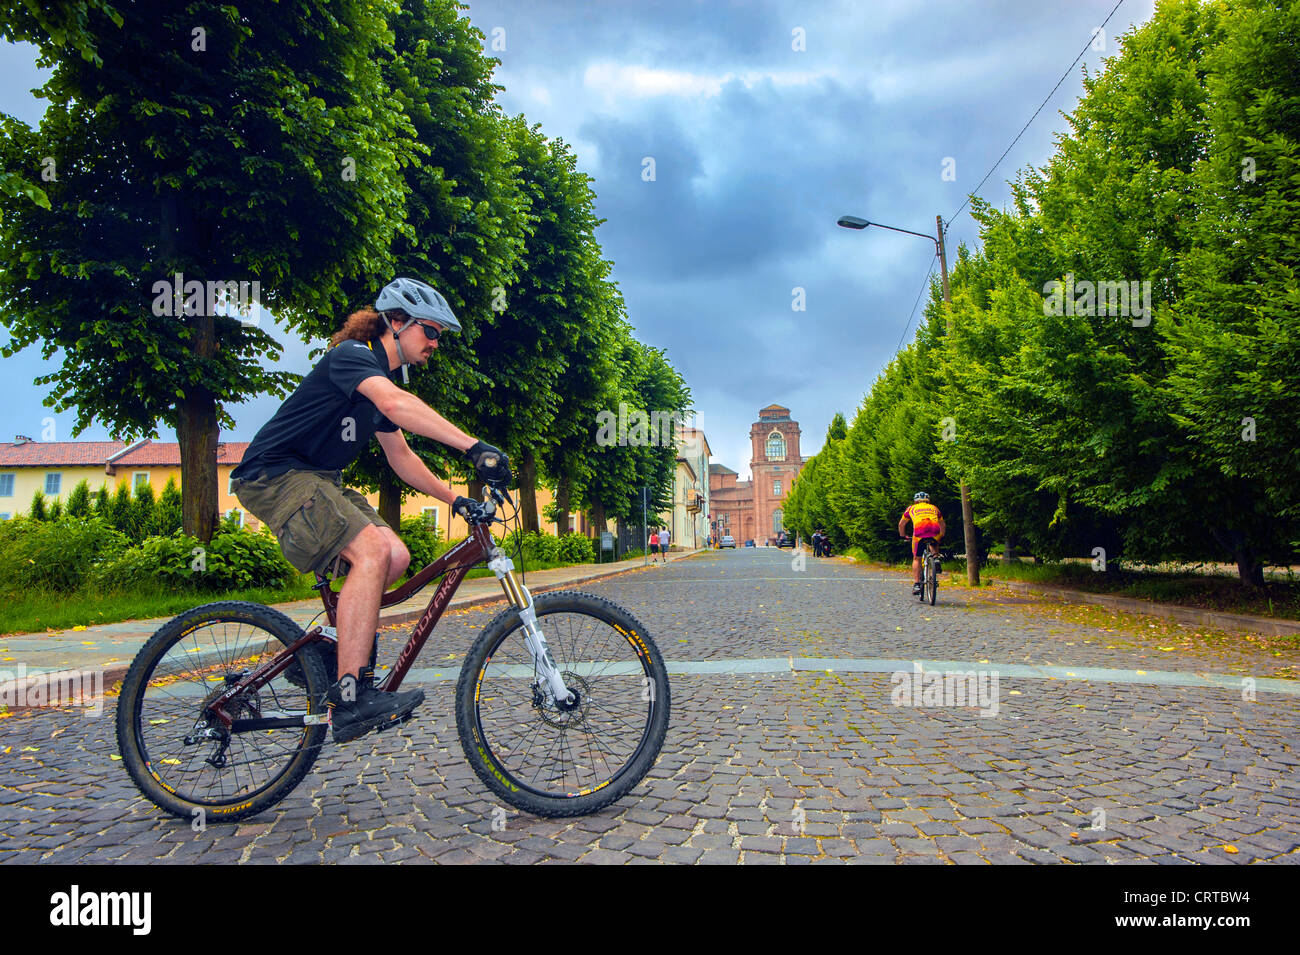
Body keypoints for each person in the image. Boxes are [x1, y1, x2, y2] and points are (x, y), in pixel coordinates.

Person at [230, 277, 512, 743]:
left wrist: (456, 499)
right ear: (396, 322)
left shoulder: (378, 381)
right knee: (371, 554)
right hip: (274, 474)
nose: (436, 343)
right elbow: (396, 403)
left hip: (318, 479)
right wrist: (472, 446)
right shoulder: (352, 359)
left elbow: (402, 458)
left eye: (440, 335)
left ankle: (329, 654)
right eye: (431, 331)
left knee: (395, 556)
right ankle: (350, 695)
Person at [898, 492, 945, 596]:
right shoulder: (934, 508)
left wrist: (903, 536)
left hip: (920, 531)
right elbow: (942, 524)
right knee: (934, 540)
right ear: (928, 500)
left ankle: (917, 584)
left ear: (916, 500)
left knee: (917, 558)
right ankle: (936, 558)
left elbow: (901, 524)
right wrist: (941, 535)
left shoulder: (911, 508)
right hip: (934, 529)